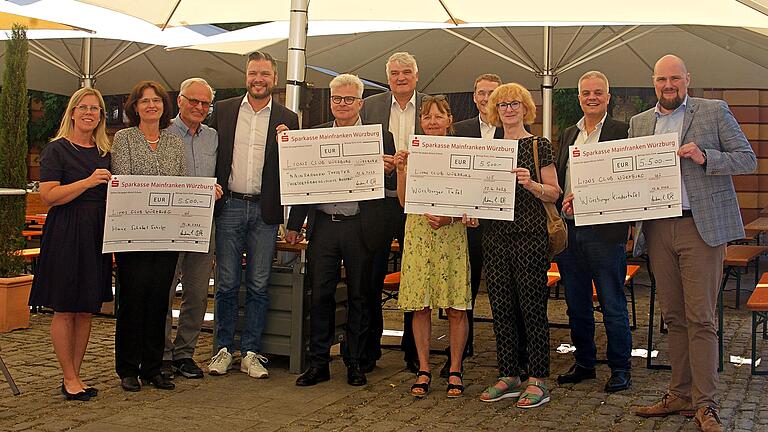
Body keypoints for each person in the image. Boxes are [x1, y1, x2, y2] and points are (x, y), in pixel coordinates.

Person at [628, 55, 755, 432]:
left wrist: (705, 157)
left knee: (701, 317)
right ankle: (680, 392)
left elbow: (746, 159)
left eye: (675, 79)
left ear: (688, 79)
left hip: (701, 228)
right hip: (657, 227)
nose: (669, 85)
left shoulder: (714, 111)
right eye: (662, 79)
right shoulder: (640, 123)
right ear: (653, 83)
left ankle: (706, 403)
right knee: (673, 316)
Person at [285, 74, 396, 387]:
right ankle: (319, 362)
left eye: (349, 99)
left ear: (360, 102)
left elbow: (389, 185)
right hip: (325, 227)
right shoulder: (315, 135)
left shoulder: (380, 136)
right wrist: (294, 225)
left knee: (361, 296)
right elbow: (303, 183)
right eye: (337, 99)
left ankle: (356, 362)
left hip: (361, 226)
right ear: (330, 101)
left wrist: (389, 171)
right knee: (320, 295)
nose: (343, 104)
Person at [207, 51, 299, 378]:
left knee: (260, 284)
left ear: (275, 79)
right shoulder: (225, 110)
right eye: (252, 73)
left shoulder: (288, 118)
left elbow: (295, 170)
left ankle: (251, 352)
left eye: (264, 74)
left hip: (266, 209)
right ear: (246, 76)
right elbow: (210, 154)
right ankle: (222, 349)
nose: (258, 79)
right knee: (227, 283)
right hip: (229, 205)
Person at [479, 83, 561, 408]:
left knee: (532, 308)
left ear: (526, 108)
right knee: (500, 308)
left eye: (515, 104)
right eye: (502, 105)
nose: (509, 109)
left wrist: (531, 184)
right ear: (495, 111)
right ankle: (509, 374)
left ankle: (538, 378)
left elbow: (554, 192)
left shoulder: (539, 145)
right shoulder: (487, 147)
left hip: (530, 237)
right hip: (495, 236)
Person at [28, 88, 113, 401]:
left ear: (101, 117)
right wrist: (89, 182)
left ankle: (75, 375)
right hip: (66, 232)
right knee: (65, 308)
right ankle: (68, 376)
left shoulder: (105, 152)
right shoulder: (56, 150)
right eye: (84, 107)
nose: (90, 113)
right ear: (73, 112)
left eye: (96, 109)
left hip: (95, 234)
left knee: (86, 310)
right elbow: (49, 196)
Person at [393, 95, 478, 398]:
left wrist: (449, 216)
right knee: (421, 305)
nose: (432, 121)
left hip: (451, 232)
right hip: (419, 232)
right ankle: (424, 368)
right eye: (427, 117)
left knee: (456, 306)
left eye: (438, 116)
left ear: (449, 120)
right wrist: (402, 170)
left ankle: (455, 368)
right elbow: (403, 201)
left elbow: (471, 197)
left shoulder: (463, 151)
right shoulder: (413, 153)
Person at [555, 71, 632, 392]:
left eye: (598, 92)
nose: (592, 97)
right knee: (576, 304)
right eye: (586, 93)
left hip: (605, 233)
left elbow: (628, 181)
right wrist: (562, 204)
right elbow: (559, 181)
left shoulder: (622, 132)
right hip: (570, 232)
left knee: (612, 303)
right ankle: (585, 363)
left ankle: (620, 368)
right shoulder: (568, 133)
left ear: (608, 97)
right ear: (579, 97)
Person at [111, 81, 188, 392]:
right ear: (135, 107)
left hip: (166, 235)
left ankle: (154, 368)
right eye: (144, 101)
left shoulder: (175, 144)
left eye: (156, 100)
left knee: (159, 300)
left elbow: (183, 185)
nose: (151, 105)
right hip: (133, 234)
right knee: (132, 300)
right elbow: (124, 180)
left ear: (164, 107)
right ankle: (128, 368)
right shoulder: (124, 139)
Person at [360, 51, 426, 372]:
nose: (400, 77)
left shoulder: (430, 106)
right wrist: (380, 162)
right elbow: (357, 146)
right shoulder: (370, 105)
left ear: (416, 76)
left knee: (414, 275)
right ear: (388, 78)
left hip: (416, 201)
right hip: (379, 199)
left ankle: (413, 349)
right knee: (372, 273)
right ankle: (369, 347)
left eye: (406, 72)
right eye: (395, 73)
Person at [443, 73, 503, 378]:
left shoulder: (514, 130)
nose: (486, 98)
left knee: (502, 290)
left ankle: (508, 352)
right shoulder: (460, 130)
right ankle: (460, 353)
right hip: (467, 224)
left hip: (502, 225)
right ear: (474, 97)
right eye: (481, 92)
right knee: (463, 289)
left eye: (492, 93)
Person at [162, 78, 222, 380]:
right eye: (193, 101)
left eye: (204, 103)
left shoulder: (212, 137)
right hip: (168, 223)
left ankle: (185, 353)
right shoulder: (162, 133)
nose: (199, 107)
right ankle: (163, 354)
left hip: (202, 223)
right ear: (180, 101)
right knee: (165, 289)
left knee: (197, 293)